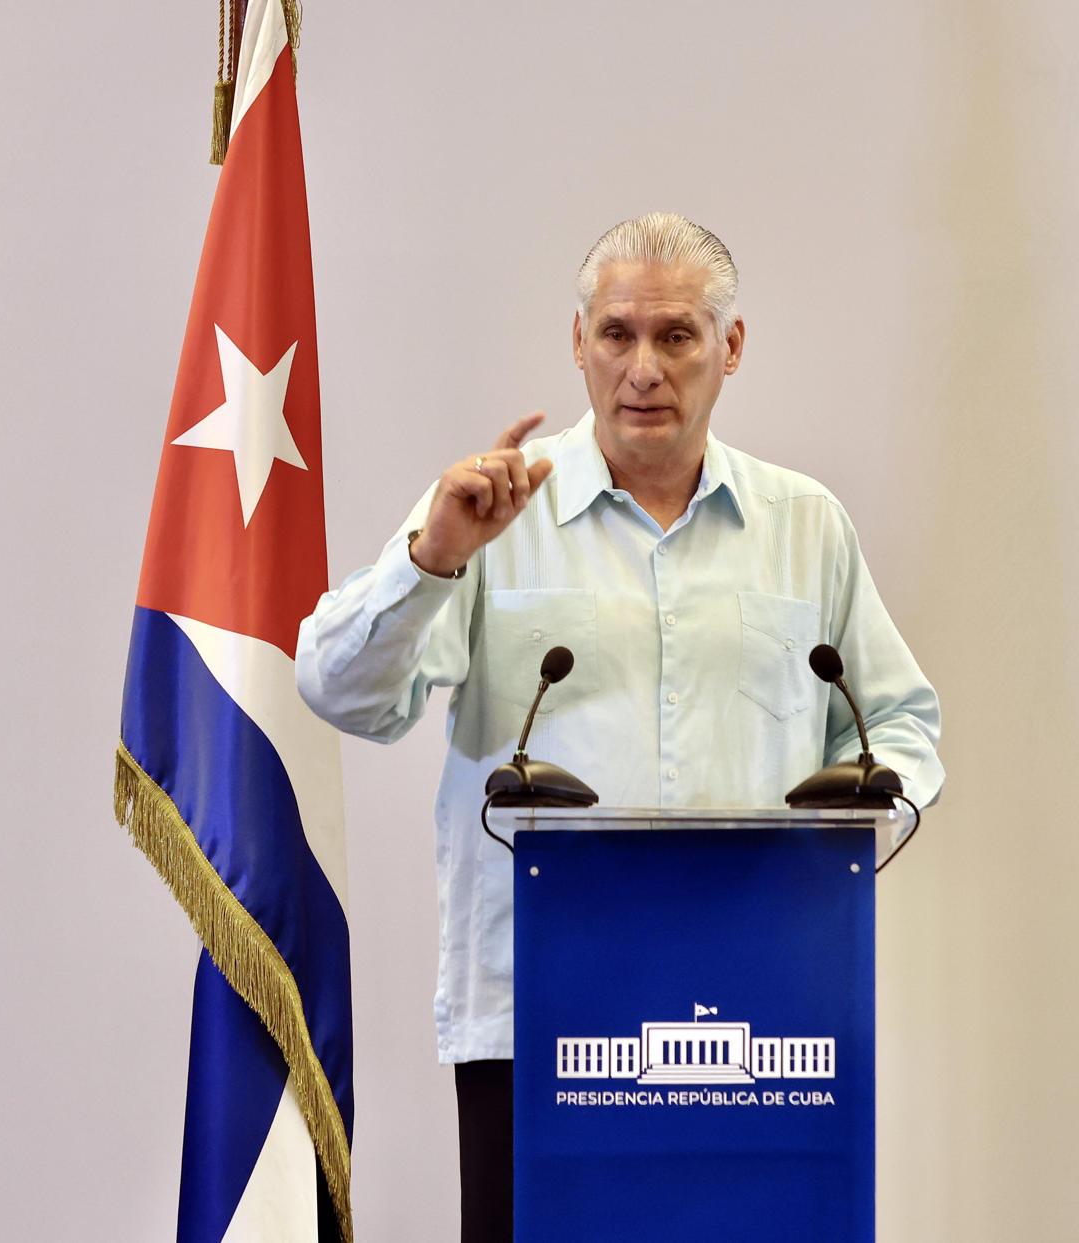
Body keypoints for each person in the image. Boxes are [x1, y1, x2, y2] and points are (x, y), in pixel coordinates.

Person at [294, 214, 943, 1243]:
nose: (644, 368)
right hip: (540, 1017)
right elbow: (340, 691)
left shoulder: (804, 524)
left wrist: (858, 822)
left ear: (730, 348)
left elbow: (902, 725)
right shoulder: (491, 513)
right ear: (578, 341)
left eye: (677, 336)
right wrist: (435, 556)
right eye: (618, 334)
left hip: (760, 1022)